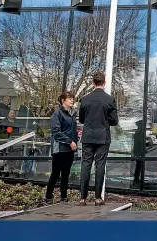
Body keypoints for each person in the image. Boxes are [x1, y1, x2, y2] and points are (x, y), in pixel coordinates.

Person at [78, 72, 119, 206]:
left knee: (85, 165)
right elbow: (114, 121)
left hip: (88, 136)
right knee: (100, 166)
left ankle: (82, 198)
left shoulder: (84, 99)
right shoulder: (110, 99)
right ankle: (97, 198)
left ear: (93, 83)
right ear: (104, 83)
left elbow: (82, 120)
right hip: (103, 137)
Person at [45, 91, 78, 203]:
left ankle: (63, 197)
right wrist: (70, 141)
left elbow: (70, 130)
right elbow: (56, 132)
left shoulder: (72, 114)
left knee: (66, 174)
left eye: (72, 98)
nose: (72, 100)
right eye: (69, 99)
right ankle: (48, 197)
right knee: (55, 173)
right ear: (63, 100)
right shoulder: (57, 114)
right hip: (60, 149)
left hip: (70, 149)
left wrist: (76, 136)